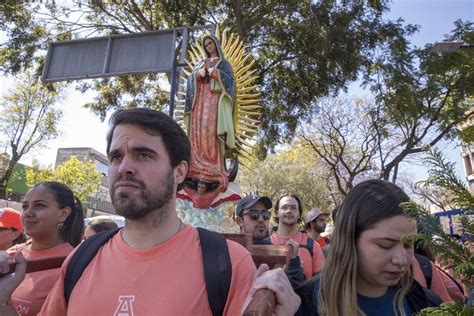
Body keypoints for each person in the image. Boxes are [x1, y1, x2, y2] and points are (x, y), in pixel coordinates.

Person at [0, 108, 298, 315]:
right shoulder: (82, 257)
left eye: (143, 154)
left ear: (179, 171)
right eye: (116, 156)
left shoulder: (228, 263)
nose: (124, 167)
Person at [288, 179, 442, 315]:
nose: (402, 260)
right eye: (385, 245)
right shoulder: (303, 305)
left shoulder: (426, 302)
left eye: (409, 244)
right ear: (349, 239)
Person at [2, 182, 84, 316]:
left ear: (63, 213)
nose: (28, 213)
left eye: (39, 205)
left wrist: (3, 302)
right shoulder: (10, 256)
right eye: (25, 206)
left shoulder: (74, 265)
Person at [183, 34, 235, 207]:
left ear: (216, 44)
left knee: (210, 131)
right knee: (197, 131)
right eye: (206, 44)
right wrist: (197, 75)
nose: (208, 46)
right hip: (199, 102)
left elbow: (230, 83)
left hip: (215, 102)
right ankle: (196, 164)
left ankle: (213, 166)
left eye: (210, 43)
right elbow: (190, 82)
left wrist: (214, 73)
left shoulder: (224, 63)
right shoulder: (200, 63)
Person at [270, 194, 325, 278]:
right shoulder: (267, 244)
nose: (289, 211)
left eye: (293, 208)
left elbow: (319, 283)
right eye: (284, 207)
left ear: (299, 214)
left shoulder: (313, 246)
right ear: (277, 212)